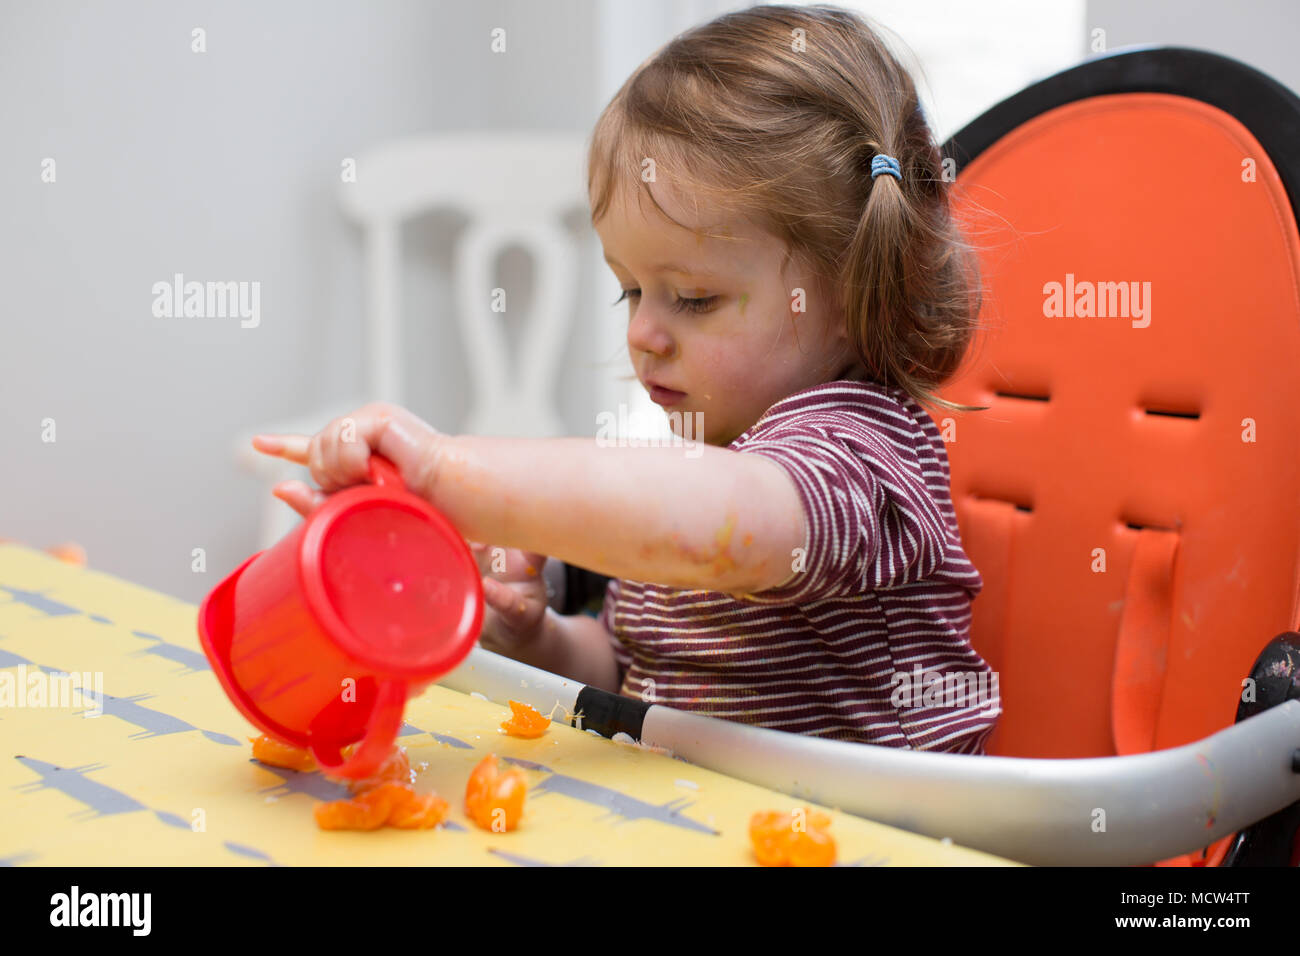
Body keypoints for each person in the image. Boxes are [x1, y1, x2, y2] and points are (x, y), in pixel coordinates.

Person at [254, 4, 999, 753]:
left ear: (855, 293)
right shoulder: (704, 460)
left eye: (695, 298)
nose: (641, 332)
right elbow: (634, 671)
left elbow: (727, 529)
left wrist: (452, 475)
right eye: (630, 290)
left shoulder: (861, 453)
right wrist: (539, 638)